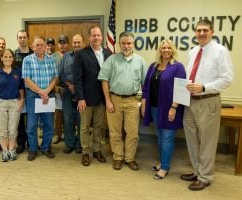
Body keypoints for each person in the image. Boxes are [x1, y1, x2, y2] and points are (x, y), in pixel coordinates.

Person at [181, 19, 234, 191]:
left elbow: (227, 79)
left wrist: (204, 87)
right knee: (192, 139)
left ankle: (205, 177)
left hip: (208, 100)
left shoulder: (220, 51)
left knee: (207, 142)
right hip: (190, 102)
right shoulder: (193, 51)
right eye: (198, 30)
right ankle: (197, 171)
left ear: (212, 31)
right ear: (195, 33)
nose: (201, 33)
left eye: (205, 30)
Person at [98, 32, 147, 171]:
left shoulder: (140, 61)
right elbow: (104, 80)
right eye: (124, 43)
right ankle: (118, 157)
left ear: (133, 44)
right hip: (114, 100)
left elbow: (145, 84)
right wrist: (108, 100)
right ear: (119, 44)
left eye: (129, 43)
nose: (126, 46)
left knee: (132, 133)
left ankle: (130, 158)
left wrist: (141, 102)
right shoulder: (112, 60)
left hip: (132, 101)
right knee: (115, 132)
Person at [141, 39, 186, 178]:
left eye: (168, 47)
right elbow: (146, 88)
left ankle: (165, 168)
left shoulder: (178, 67)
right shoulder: (153, 66)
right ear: (159, 50)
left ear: (172, 50)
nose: (166, 50)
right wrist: (144, 105)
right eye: (163, 48)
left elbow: (181, 90)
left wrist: (173, 108)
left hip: (170, 108)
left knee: (167, 138)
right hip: (154, 108)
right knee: (160, 137)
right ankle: (163, 162)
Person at [73, 25, 111, 166]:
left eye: (98, 35)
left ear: (102, 37)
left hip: (102, 98)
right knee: (84, 127)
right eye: (94, 35)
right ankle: (85, 152)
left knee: (98, 127)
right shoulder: (81, 54)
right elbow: (77, 78)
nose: (96, 38)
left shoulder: (107, 54)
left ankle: (96, 150)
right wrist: (80, 98)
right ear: (89, 37)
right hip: (86, 99)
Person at [22, 36, 59, 161]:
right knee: (32, 125)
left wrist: (47, 91)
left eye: (42, 44)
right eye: (37, 45)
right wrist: (40, 91)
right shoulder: (27, 60)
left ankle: (46, 147)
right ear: (32, 46)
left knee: (49, 124)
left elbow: (55, 77)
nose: (39, 47)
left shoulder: (52, 59)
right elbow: (26, 79)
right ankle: (33, 149)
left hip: (49, 95)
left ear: (45, 46)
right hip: (33, 96)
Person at [0, 49, 25, 162]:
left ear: (13, 58)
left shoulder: (17, 72)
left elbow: (21, 88)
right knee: (2, 130)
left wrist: (22, 100)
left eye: (10, 57)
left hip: (14, 102)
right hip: (0, 103)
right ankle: (5, 151)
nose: (8, 59)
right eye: (5, 57)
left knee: (13, 129)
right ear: (2, 58)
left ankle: (11, 150)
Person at [60, 33, 85, 154]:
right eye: (74, 42)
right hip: (68, 93)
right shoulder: (66, 57)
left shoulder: (87, 56)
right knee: (68, 120)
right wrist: (70, 85)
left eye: (78, 42)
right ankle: (69, 144)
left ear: (83, 43)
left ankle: (80, 144)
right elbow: (61, 73)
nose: (76, 45)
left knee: (81, 121)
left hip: (82, 95)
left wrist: (78, 88)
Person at [14, 30, 34, 154]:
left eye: (24, 37)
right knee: (20, 118)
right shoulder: (13, 54)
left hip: (32, 89)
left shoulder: (33, 53)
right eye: (20, 37)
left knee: (32, 118)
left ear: (28, 38)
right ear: (17, 39)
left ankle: (32, 143)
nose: (22, 39)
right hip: (18, 90)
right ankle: (21, 143)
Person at [52, 34, 70, 144]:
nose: (62, 45)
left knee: (69, 114)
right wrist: (54, 87)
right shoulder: (52, 57)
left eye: (64, 43)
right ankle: (57, 134)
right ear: (58, 44)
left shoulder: (72, 55)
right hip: (57, 89)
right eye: (60, 43)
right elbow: (51, 74)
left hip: (69, 89)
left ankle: (69, 135)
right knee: (57, 114)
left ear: (67, 44)